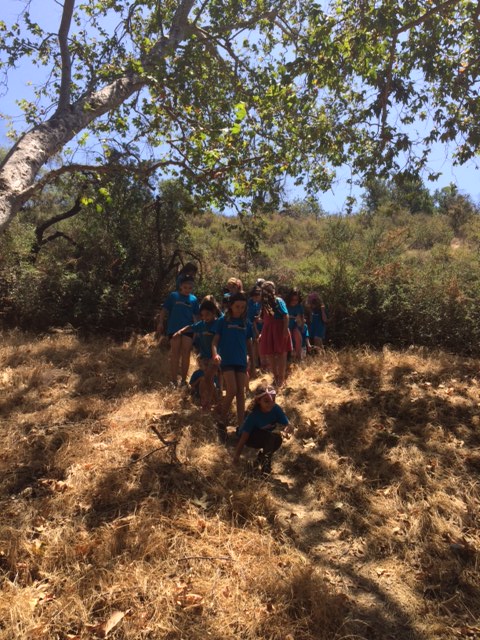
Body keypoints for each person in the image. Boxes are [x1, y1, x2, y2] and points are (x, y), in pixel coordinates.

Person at [212, 292, 253, 431]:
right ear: (231, 306)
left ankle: (241, 425)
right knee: (232, 389)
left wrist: (252, 361)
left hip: (241, 361)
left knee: (241, 392)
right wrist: (215, 354)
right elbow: (215, 341)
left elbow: (249, 343)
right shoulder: (223, 321)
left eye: (243, 307)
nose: (240, 309)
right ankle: (222, 419)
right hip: (227, 360)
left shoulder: (246, 322)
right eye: (237, 306)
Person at [173, 295, 222, 408]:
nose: (205, 317)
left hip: (215, 358)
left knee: (212, 379)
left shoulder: (219, 323)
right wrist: (180, 332)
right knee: (206, 379)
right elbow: (190, 327)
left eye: (207, 314)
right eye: (203, 315)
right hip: (204, 358)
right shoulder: (202, 324)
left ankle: (216, 399)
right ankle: (208, 401)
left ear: (214, 312)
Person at [233, 383, 292, 474]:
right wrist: (236, 457)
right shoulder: (253, 415)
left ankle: (260, 460)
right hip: (250, 438)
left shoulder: (276, 409)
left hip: (265, 436)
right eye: (266, 401)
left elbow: (287, 424)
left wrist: (288, 428)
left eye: (273, 400)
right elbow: (243, 438)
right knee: (270, 437)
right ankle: (266, 470)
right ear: (258, 401)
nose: (270, 404)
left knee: (278, 439)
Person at [156, 275, 200, 386]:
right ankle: (173, 381)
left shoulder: (194, 299)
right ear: (180, 286)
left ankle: (184, 381)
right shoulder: (173, 296)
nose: (187, 290)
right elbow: (164, 310)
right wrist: (160, 323)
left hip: (188, 330)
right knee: (175, 354)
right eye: (185, 287)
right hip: (173, 329)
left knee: (186, 353)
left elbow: (196, 316)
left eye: (190, 288)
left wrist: (197, 330)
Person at [258, 281, 292, 387]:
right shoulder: (264, 303)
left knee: (282, 354)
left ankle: (281, 378)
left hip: (279, 329)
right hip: (268, 329)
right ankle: (276, 377)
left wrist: (285, 329)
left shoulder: (278, 301)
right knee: (270, 354)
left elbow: (286, 315)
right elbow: (264, 318)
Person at [285, 289, 305, 361]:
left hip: (295, 326)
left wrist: (302, 326)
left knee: (298, 338)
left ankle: (299, 358)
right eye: (292, 299)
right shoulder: (285, 305)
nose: (294, 301)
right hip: (285, 326)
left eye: (296, 300)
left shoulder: (299, 306)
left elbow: (302, 318)